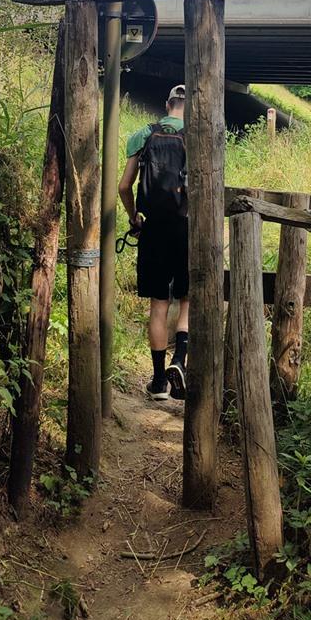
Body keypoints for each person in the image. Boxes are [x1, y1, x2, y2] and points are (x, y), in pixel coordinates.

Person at [118, 84, 189, 401]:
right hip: (186, 227)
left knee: (158, 305)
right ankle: (180, 362)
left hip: (152, 229)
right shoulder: (197, 137)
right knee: (187, 298)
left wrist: (135, 218)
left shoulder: (143, 135)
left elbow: (123, 187)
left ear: (167, 104)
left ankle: (159, 382)